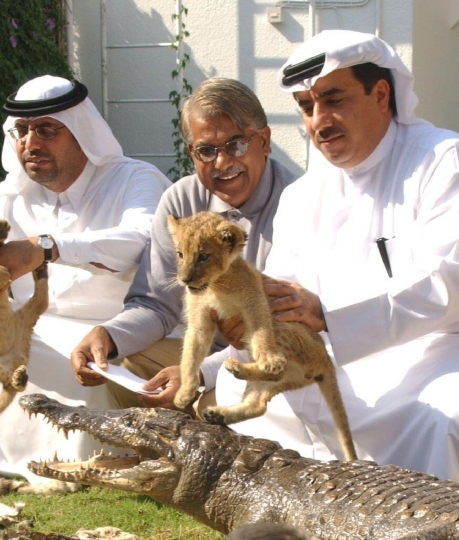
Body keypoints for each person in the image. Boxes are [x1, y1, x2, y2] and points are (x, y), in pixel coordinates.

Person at [212, 30, 459, 501]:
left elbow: (450, 287)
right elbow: (288, 303)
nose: (318, 120)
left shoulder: (446, 161)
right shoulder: (302, 196)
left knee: (457, 422)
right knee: (242, 396)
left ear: (381, 95)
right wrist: (238, 337)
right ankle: (318, 523)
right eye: (307, 107)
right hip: (342, 352)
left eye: (332, 99)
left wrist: (326, 315)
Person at [0, 75, 169, 480]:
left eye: (45, 130)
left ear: (81, 131)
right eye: (20, 132)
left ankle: (87, 456)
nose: (30, 143)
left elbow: (141, 239)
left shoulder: (133, 179)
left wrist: (46, 247)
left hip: (115, 329)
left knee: (82, 350)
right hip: (33, 328)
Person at [71, 78, 295, 408]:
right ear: (191, 153)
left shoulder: (298, 203)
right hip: (204, 348)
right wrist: (108, 336)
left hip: (274, 355)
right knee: (133, 371)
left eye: (236, 145)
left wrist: (198, 375)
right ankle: (150, 460)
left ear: (264, 141)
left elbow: (284, 328)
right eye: (206, 151)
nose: (222, 163)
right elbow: (156, 303)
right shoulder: (181, 200)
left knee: (215, 407)